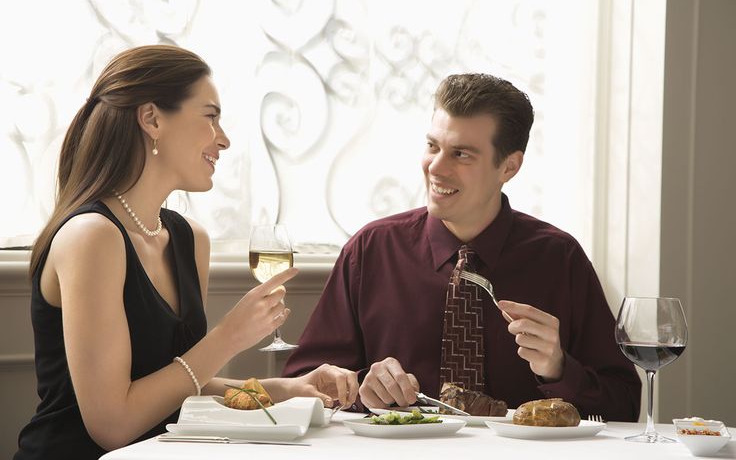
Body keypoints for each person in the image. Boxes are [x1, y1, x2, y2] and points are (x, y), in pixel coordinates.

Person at [14, 45, 358, 460]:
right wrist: (228, 338)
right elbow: (113, 424)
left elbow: (175, 386)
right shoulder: (92, 237)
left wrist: (284, 390)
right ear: (152, 119)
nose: (224, 139)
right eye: (211, 116)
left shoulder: (189, 238)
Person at [283, 73, 641, 421]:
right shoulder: (370, 251)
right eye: (432, 146)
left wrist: (558, 369)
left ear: (509, 167)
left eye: (462, 154)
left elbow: (625, 404)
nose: (436, 168)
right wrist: (361, 387)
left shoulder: (561, 260)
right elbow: (301, 387)